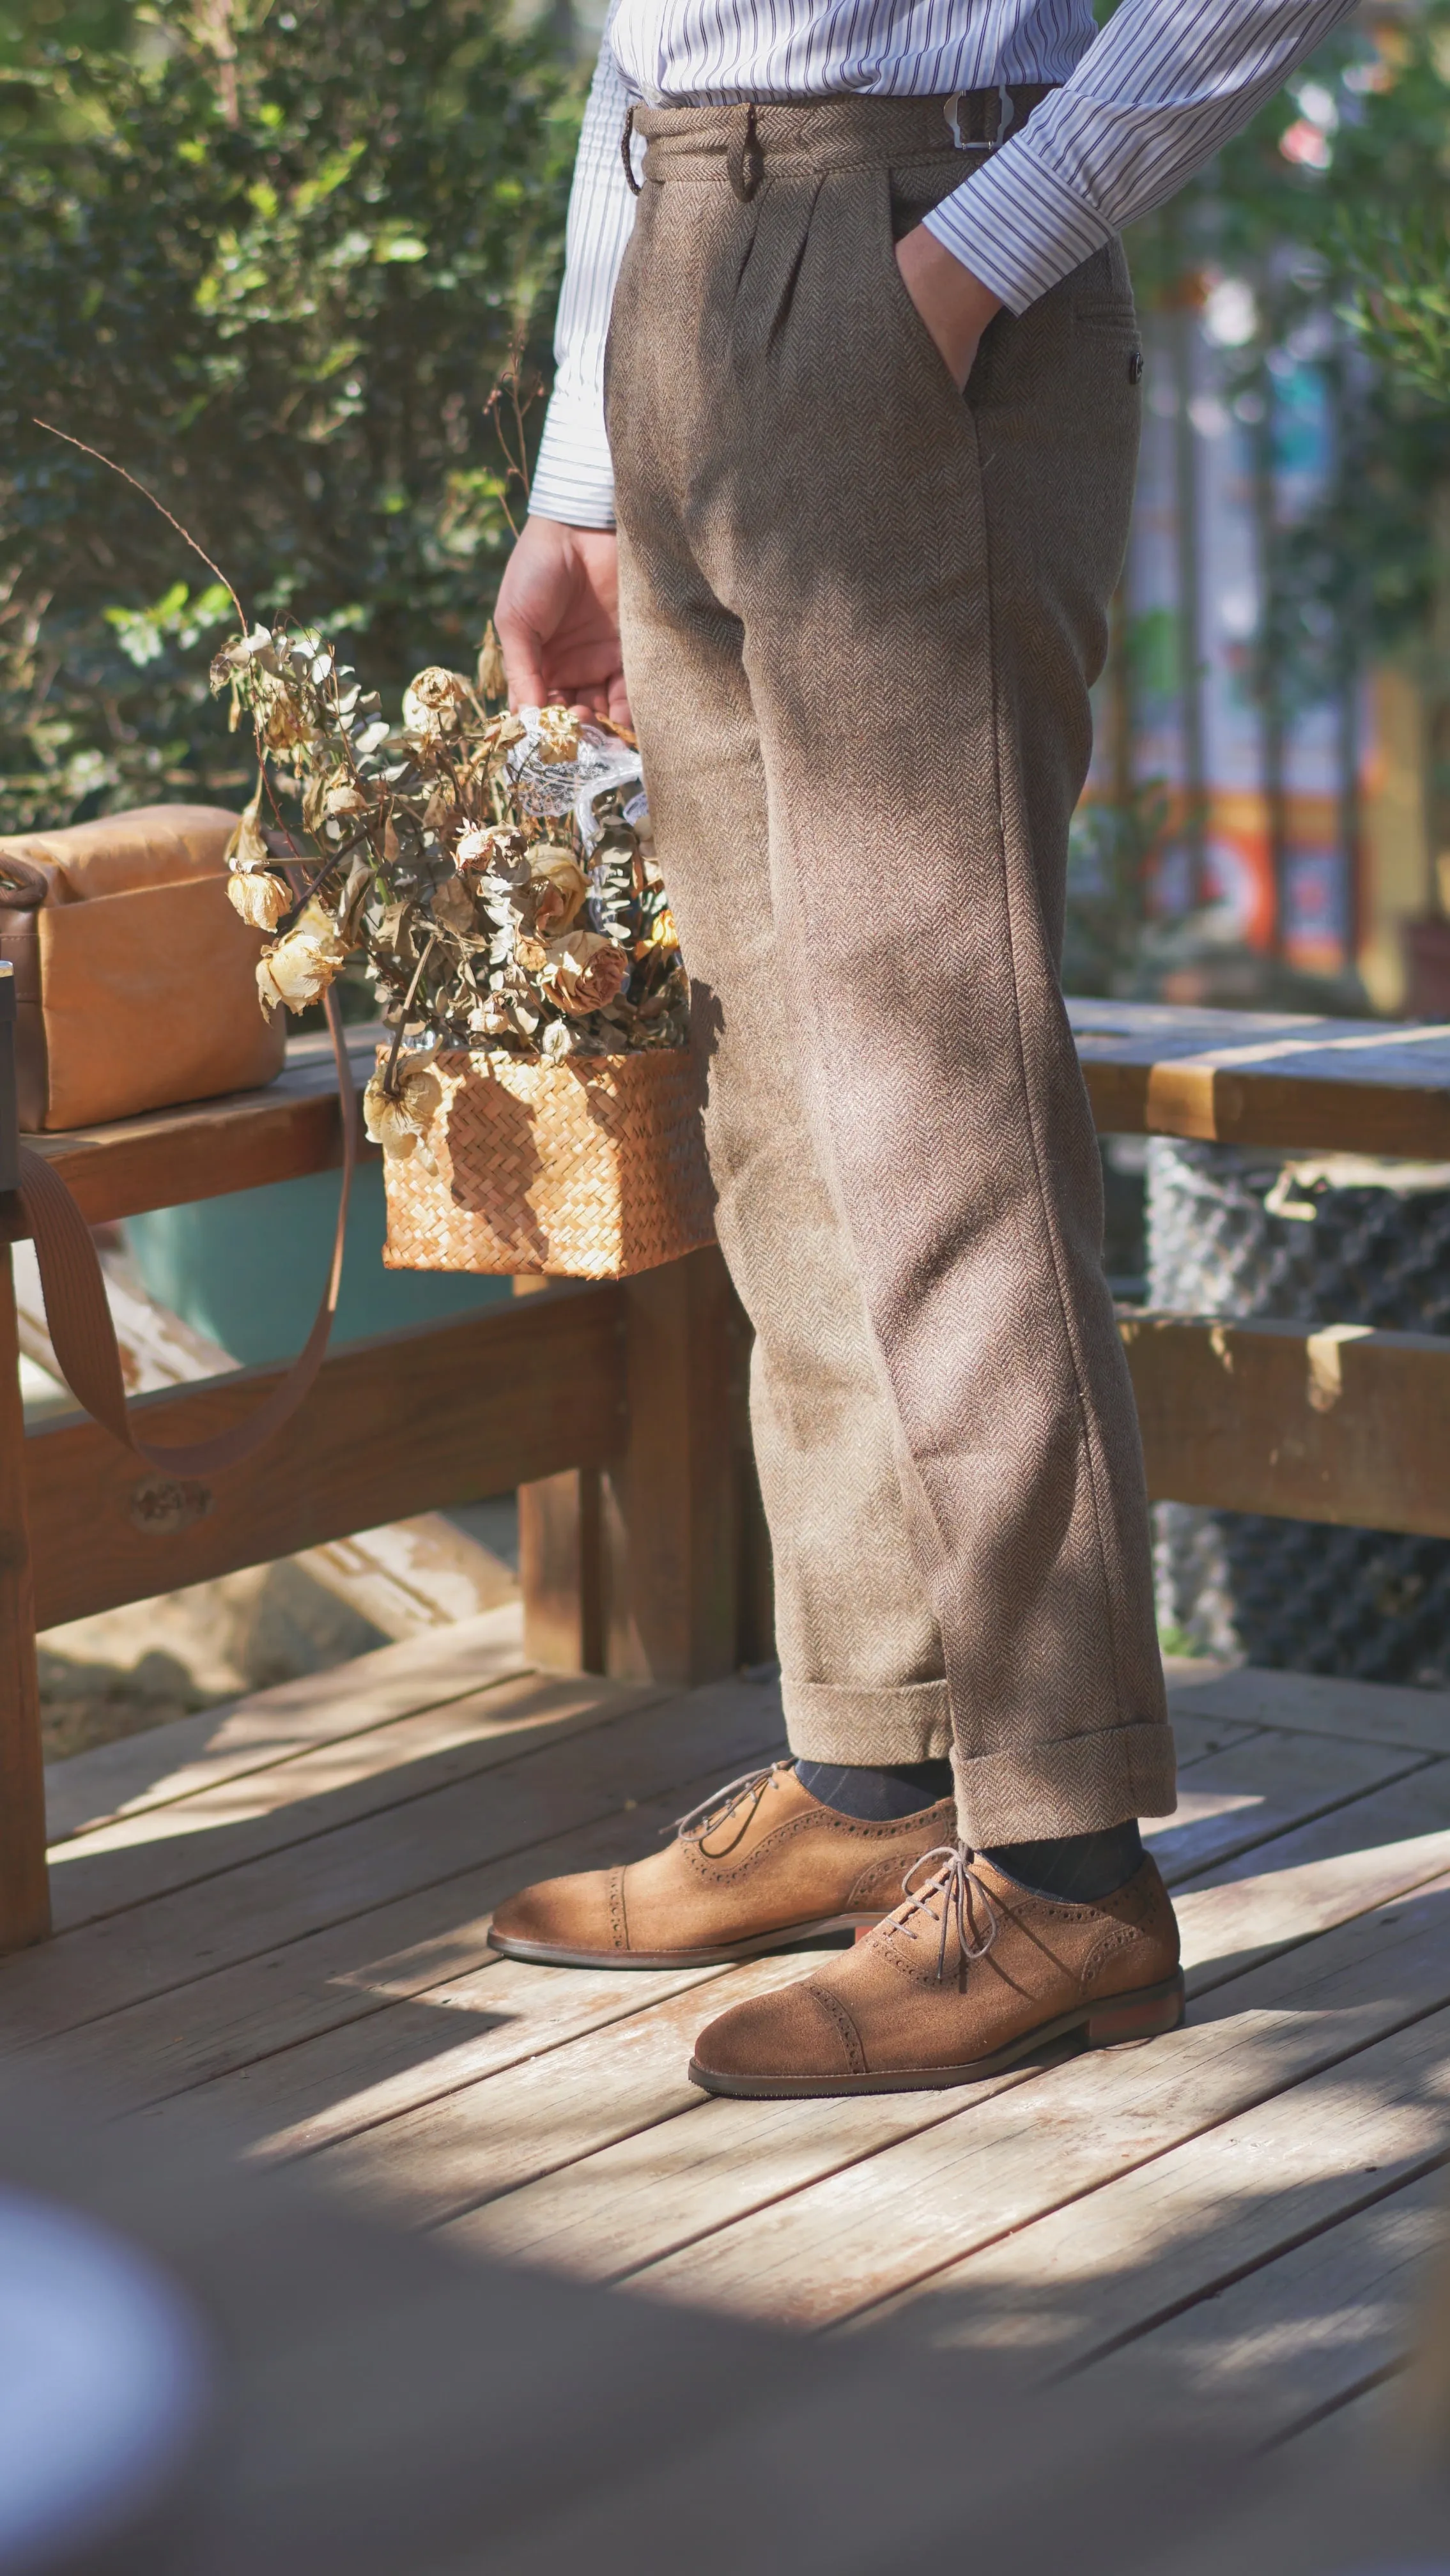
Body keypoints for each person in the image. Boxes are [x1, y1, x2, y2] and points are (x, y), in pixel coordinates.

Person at [487, 0, 1352, 2100]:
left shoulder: (956, 255)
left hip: (927, 231)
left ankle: (1059, 1857)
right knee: (776, 1097)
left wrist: (973, 256)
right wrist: (583, 484)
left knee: (933, 1104)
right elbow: (639, 48)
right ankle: (871, 1767)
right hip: (685, 252)